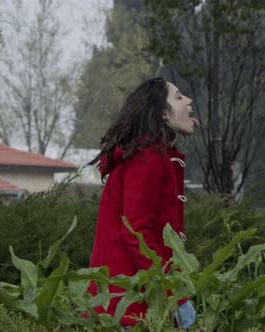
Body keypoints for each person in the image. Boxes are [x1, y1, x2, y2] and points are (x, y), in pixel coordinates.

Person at [87, 77, 199, 329]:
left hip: (128, 302)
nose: (188, 101)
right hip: (128, 305)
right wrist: (173, 297)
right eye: (179, 97)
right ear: (163, 113)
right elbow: (137, 233)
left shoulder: (151, 155)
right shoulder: (147, 158)